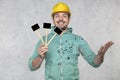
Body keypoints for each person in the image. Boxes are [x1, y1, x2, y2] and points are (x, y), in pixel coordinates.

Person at [28, 2, 114, 80]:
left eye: (64, 16)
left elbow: (95, 63)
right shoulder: (44, 40)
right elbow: (32, 67)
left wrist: (100, 55)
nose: (60, 19)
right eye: (57, 16)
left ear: (69, 19)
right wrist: (40, 57)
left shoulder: (78, 39)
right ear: (53, 19)